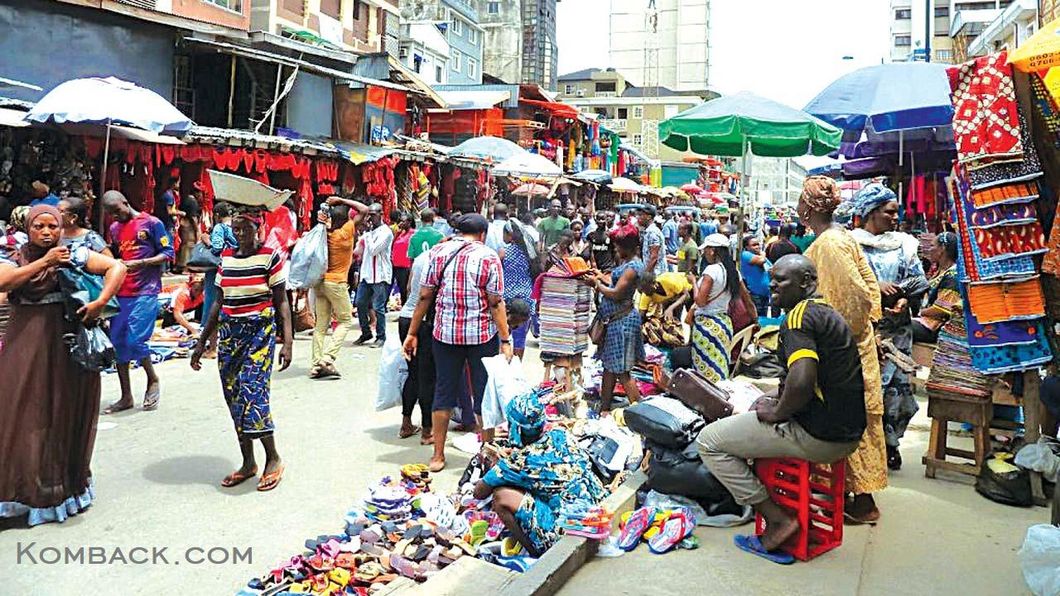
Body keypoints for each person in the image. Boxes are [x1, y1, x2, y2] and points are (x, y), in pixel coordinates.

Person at [697, 255, 865, 559]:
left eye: (781, 280)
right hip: (847, 433)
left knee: (709, 442)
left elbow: (802, 380)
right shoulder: (825, 313)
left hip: (819, 435)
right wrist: (776, 397)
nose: (773, 285)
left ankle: (777, 520)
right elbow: (813, 380)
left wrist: (777, 412)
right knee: (753, 413)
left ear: (806, 282)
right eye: (771, 278)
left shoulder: (797, 319)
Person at [0, 205, 126, 526]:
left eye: (52, 227)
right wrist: (45, 262)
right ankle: (19, 490)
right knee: (19, 413)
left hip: (66, 346)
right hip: (25, 346)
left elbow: (117, 267)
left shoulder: (75, 254)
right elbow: (4, 282)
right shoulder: (15, 256)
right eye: (39, 226)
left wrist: (100, 302)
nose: (46, 232)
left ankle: (57, 491)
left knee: (60, 412)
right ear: (28, 228)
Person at [798, 176, 887, 524]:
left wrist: (831, 339)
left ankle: (862, 500)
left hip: (845, 353)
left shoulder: (831, 244)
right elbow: (869, 290)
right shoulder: (839, 237)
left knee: (849, 419)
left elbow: (855, 298)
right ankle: (846, 494)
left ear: (808, 208)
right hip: (851, 346)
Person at [190, 209, 293, 492]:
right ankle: (248, 462)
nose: (240, 234)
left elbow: (282, 302)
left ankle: (273, 457)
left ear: (257, 229)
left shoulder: (270, 257)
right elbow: (217, 302)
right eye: (236, 229)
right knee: (233, 396)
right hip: (229, 335)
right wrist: (201, 343)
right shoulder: (226, 259)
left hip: (259, 333)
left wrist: (288, 342)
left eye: (246, 229)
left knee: (253, 391)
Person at [402, 213, 512, 472]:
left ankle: (438, 455)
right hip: (481, 336)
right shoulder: (489, 257)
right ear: (483, 234)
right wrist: (506, 338)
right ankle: (487, 454)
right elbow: (496, 302)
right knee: (483, 393)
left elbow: (424, 296)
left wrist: (412, 333)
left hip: (445, 335)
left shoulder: (438, 253)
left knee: (444, 391)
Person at [851, 183, 928, 472]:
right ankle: (865, 448)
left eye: (896, 212)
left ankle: (890, 445)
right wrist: (876, 286)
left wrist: (904, 297)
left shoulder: (905, 244)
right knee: (869, 390)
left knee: (897, 391)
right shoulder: (851, 244)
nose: (895, 218)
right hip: (866, 332)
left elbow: (919, 279)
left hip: (898, 331)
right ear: (871, 212)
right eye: (889, 212)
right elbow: (845, 281)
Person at [473, 392, 607, 557]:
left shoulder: (519, 462)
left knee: (501, 496)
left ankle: (535, 554)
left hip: (569, 529)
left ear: (516, 428)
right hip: (598, 511)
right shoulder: (561, 434)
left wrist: (499, 466)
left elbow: (479, 492)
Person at [102, 190, 174, 414]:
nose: (115, 216)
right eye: (111, 214)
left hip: (146, 290)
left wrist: (141, 263)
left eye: (117, 211)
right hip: (122, 291)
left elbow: (168, 253)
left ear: (125, 202)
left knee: (135, 339)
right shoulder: (115, 229)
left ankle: (152, 379)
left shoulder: (152, 223)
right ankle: (126, 395)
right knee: (118, 343)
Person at [585, 224, 644, 413]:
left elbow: (617, 293)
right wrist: (600, 277)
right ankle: (604, 409)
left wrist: (596, 284)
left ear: (629, 246)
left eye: (619, 246)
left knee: (622, 370)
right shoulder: (626, 263)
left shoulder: (634, 266)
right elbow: (615, 283)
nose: (616, 249)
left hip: (622, 322)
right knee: (609, 367)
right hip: (614, 321)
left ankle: (641, 412)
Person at [312, 196, 369, 378]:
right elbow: (364, 209)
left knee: (321, 325)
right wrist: (342, 200)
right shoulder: (346, 231)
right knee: (345, 320)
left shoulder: (324, 234)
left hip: (320, 282)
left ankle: (316, 364)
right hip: (336, 282)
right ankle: (327, 358)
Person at [691, 233, 741, 383]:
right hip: (724, 324)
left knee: (704, 373)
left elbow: (700, 301)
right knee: (720, 367)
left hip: (707, 326)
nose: (704, 254)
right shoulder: (732, 271)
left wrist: (693, 282)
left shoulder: (711, 271)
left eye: (705, 250)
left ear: (712, 250)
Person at [397, 250, 435, 444]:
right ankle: (427, 431)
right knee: (427, 377)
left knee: (413, 374)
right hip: (423, 321)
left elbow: (408, 287)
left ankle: (406, 423)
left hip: (405, 317)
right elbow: (427, 295)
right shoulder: (440, 259)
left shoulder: (421, 258)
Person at [201, 201, 238, 359]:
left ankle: (213, 348)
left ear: (216, 215)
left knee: (213, 308)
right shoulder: (237, 228)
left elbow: (217, 247)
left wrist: (206, 240)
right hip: (234, 269)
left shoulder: (219, 228)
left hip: (217, 272)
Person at [499, 219, 539, 359]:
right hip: (527, 296)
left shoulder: (504, 252)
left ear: (510, 235)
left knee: (503, 335)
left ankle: (503, 364)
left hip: (507, 297)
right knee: (520, 338)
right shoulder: (530, 253)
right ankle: (516, 366)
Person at [354, 204, 394, 347]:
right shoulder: (367, 233)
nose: (370, 218)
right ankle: (366, 332)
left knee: (378, 307)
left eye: (373, 214)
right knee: (360, 303)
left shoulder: (386, 232)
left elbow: (373, 250)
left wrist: (368, 233)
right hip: (366, 274)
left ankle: (381, 336)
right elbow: (358, 251)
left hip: (380, 275)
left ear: (381, 214)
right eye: (368, 215)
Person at [912, 232, 960, 343]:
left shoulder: (953, 275)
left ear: (942, 248)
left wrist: (919, 312)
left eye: (932, 246)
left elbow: (942, 309)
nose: (929, 249)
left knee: (898, 326)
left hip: (934, 326)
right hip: (925, 320)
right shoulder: (938, 271)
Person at [740, 236, 770, 316]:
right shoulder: (745, 254)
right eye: (754, 245)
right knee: (756, 316)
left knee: (763, 317)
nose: (757, 247)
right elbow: (761, 261)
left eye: (758, 244)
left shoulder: (759, 256)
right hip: (754, 294)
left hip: (764, 294)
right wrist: (763, 254)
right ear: (747, 247)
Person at [175, 187, 202, 272]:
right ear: (197, 193)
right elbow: (193, 217)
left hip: (183, 223)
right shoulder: (193, 201)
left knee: (184, 245)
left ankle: (179, 265)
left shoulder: (186, 199)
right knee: (188, 245)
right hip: (188, 225)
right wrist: (197, 229)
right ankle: (185, 267)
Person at [391, 212, 415, 306]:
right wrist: (397, 233)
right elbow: (392, 245)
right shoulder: (400, 233)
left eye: (403, 221)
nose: (401, 223)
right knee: (401, 289)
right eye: (400, 221)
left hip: (406, 266)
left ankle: (406, 308)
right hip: (396, 265)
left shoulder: (413, 233)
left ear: (409, 222)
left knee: (405, 289)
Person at [636, 205, 666, 276]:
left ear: (648, 217)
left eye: (641, 215)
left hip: (656, 274)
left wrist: (645, 274)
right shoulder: (648, 231)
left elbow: (654, 258)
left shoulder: (653, 233)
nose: (639, 217)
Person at [155, 177, 183, 248]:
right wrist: (181, 213)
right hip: (167, 225)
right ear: (174, 184)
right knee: (168, 244)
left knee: (164, 243)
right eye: (178, 183)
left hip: (165, 225)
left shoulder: (167, 194)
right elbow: (169, 211)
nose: (179, 185)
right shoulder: (169, 196)